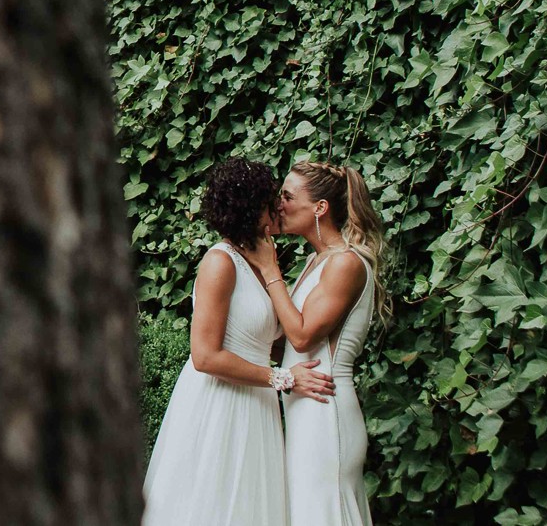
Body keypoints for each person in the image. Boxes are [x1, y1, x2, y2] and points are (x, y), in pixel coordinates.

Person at [144, 157, 334, 526]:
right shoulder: (221, 262)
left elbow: (272, 336)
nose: (278, 208)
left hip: (257, 406)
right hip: (221, 403)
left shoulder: (262, 262)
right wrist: (282, 378)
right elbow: (204, 356)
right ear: (251, 209)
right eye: (270, 201)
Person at [242, 161, 386, 526]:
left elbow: (304, 335)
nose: (279, 205)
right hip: (304, 406)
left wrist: (270, 269)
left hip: (326, 409)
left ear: (320, 208)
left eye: (288, 197)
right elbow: (286, 342)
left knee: (325, 512)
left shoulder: (346, 264)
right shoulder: (317, 261)